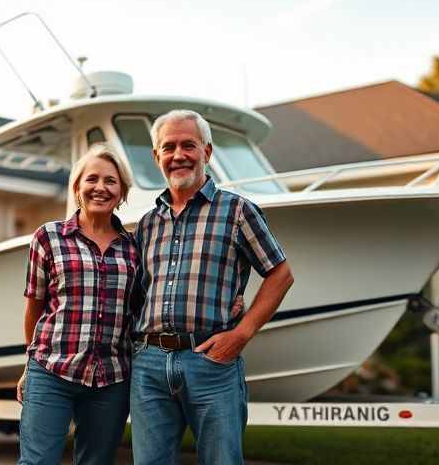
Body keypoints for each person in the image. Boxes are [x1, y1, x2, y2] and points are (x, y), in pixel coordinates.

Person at [130, 109, 294, 464]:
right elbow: (140, 292)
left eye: (188, 145)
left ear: (206, 152)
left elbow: (280, 274)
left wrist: (243, 333)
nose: (178, 155)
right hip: (150, 365)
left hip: (211, 362)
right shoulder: (147, 224)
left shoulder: (237, 211)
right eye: (168, 147)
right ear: (157, 156)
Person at [17, 144, 138, 465]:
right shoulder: (48, 237)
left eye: (111, 181)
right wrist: (30, 364)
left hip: (111, 378)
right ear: (77, 187)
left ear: (122, 192)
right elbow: (34, 307)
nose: (101, 188)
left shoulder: (134, 247)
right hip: (51, 371)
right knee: (37, 461)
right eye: (92, 179)